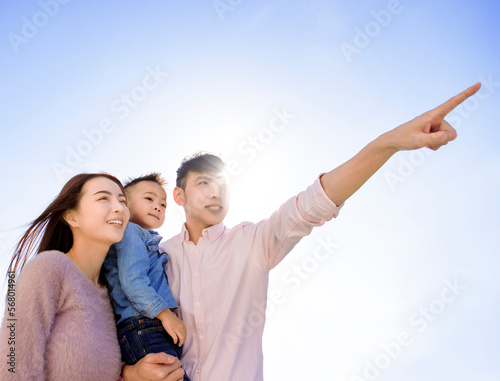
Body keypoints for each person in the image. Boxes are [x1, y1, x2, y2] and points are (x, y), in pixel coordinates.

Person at [160, 83, 482, 380]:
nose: (216, 193)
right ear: (179, 196)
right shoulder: (159, 256)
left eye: (223, 185)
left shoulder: (250, 242)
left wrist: (390, 143)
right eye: (204, 183)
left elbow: (314, 202)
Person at [0, 173, 185, 381]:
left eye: (122, 201)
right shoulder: (47, 268)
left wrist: (132, 373)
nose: (118, 208)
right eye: (103, 198)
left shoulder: (112, 296)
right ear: (72, 217)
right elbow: (12, 364)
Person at [102, 174, 190, 380]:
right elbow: (133, 282)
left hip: (148, 328)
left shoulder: (147, 239)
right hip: (143, 326)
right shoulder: (131, 232)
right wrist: (166, 315)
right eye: (149, 199)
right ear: (124, 204)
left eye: (163, 204)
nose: (158, 207)